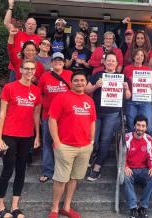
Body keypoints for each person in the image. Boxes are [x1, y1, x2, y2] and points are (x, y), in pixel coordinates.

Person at [0, 59, 41, 218]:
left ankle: (15, 206)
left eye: (32, 69)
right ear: (20, 70)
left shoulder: (36, 90)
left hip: (27, 136)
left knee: (21, 171)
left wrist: (37, 136)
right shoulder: (9, 87)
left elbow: (36, 115)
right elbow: (2, 114)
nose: (29, 71)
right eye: (26, 68)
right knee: (8, 169)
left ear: (35, 71)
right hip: (9, 134)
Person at [47, 72, 96, 218]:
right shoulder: (61, 97)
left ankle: (66, 207)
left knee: (74, 178)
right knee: (61, 179)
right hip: (65, 146)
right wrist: (56, 142)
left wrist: (92, 142)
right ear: (71, 82)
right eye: (76, 80)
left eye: (82, 80)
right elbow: (52, 120)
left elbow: (93, 121)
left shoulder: (89, 100)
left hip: (85, 146)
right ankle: (55, 208)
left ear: (86, 83)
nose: (79, 83)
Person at [85, 52, 131, 181]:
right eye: (108, 60)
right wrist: (96, 86)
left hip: (112, 113)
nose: (110, 63)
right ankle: (93, 157)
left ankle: (97, 168)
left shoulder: (121, 77)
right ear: (104, 63)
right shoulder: (97, 75)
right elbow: (87, 90)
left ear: (117, 64)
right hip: (96, 112)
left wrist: (126, 89)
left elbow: (128, 96)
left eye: (113, 61)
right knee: (93, 139)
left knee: (105, 141)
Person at [38, 52, 73, 183]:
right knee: (47, 143)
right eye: (55, 60)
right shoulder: (45, 76)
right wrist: (41, 109)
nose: (58, 62)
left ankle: (63, 170)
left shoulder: (70, 75)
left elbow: (76, 91)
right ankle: (48, 171)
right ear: (51, 63)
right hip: (48, 115)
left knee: (64, 144)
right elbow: (39, 93)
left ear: (64, 62)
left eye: (60, 60)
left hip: (66, 117)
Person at [123, 115, 152, 218]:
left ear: (146, 128)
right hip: (130, 169)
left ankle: (143, 206)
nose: (140, 128)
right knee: (125, 177)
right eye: (138, 125)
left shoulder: (148, 139)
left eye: (143, 126)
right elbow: (121, 157)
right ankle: (133, 207)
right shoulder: (126, 138)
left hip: (144, 170)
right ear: (134, 125)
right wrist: (125, 166)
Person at [4, 0, 41, 82]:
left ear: (36, 26)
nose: (31, 26)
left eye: (33, 24)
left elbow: (39, 54)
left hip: (30, 68)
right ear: (25, 25)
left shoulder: (38, 38)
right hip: (15, 67)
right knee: (13, 90)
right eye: (29, 24)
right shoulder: (18, 33)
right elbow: (6, 23)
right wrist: (10, 7)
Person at [124, 48, 152, 134]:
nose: (139, 57)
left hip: (145, 101)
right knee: (131, 126)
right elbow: (123, 83)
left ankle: (145, 145)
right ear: (133, 57)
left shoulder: (148, 70)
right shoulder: (127, 69)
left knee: (148, 128)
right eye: (137, 55)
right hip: (131, 101)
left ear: (144, 57)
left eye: (142, 55)